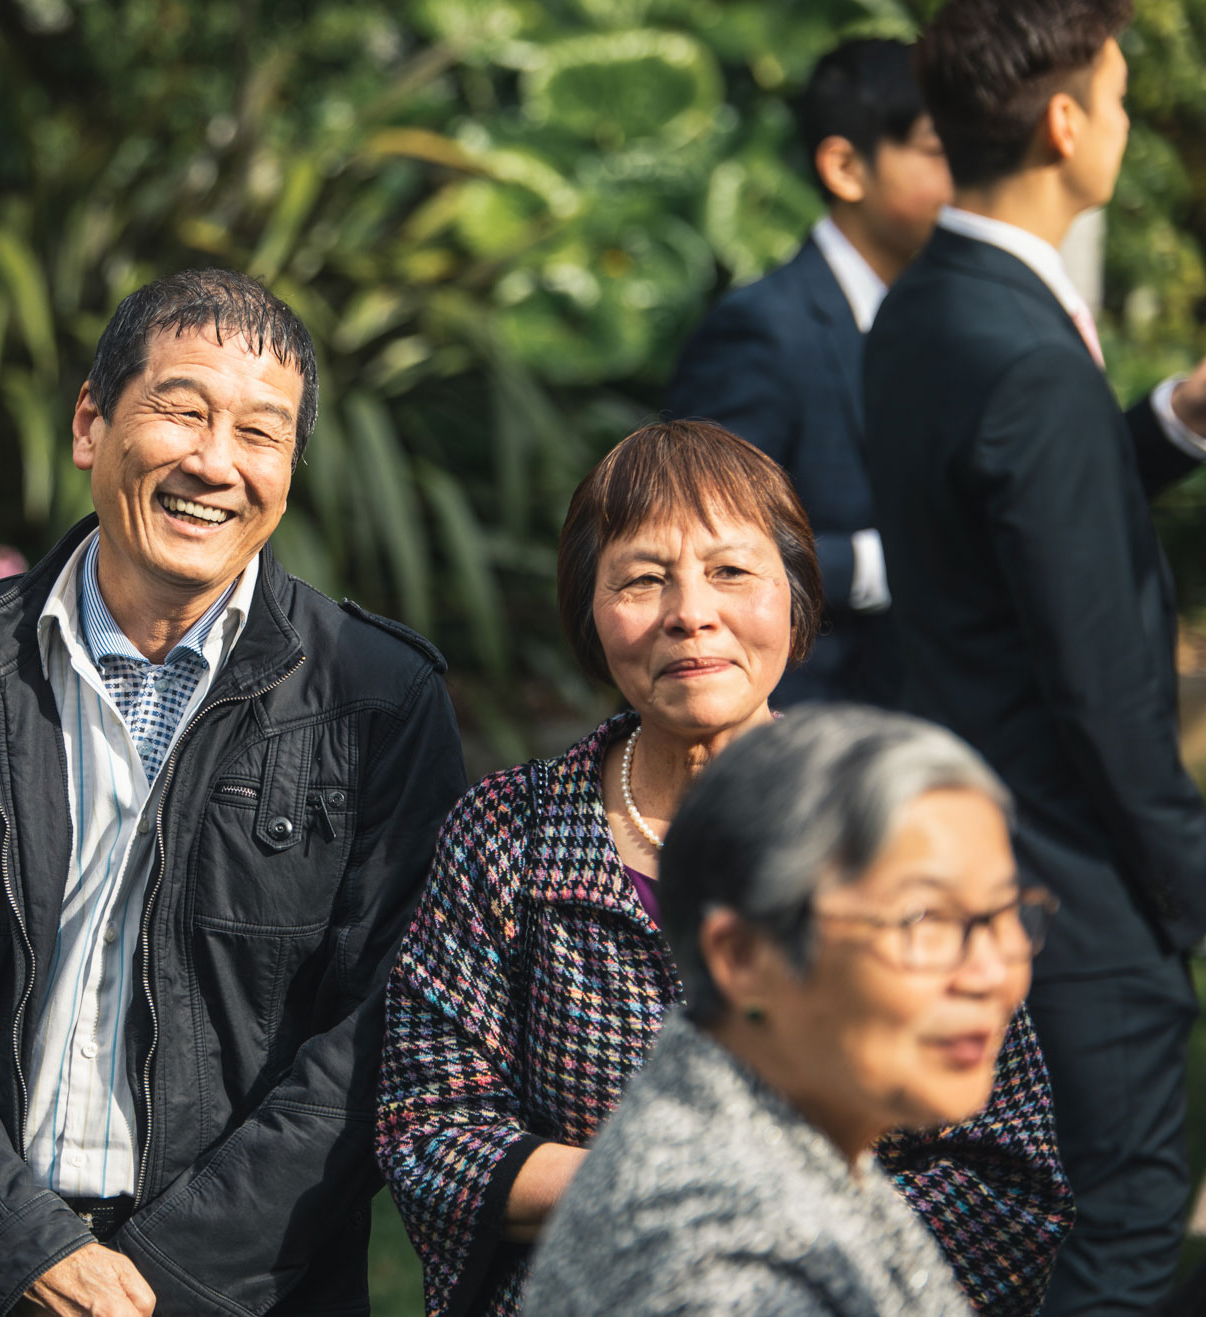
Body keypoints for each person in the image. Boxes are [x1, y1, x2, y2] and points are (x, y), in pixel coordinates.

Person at [0, 268, 469, 1316]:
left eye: (259, 432)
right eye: (181, 410)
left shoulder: (375, 699)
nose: (214, 462)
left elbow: (378, 1025)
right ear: (89, 423)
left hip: (236, 1291)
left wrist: (162, 1283)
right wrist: (21, 1246)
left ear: (289, 467)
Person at [377, 419, 1070, 1317]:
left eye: (732, 571)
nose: (690, 612)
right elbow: (432, 1133)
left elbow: (1005, 1180)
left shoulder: (893, 830)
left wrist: (769, 1256)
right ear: (591, 610)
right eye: (642, 579)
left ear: (796, 594)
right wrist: (687, 1213)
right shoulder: (509, 830)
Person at [864, 0, 1206, 1307]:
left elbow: (1015, 533)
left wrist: (1173, 419)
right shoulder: (1018, 348)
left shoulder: (930, 306)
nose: (1124, 121)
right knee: (1119, 1231)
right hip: (1070, 871)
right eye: (1121, 100)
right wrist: (1190, 885)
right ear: (1067, 124)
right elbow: (1104, 681)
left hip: (975, 836)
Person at [522, 707, 1056, 1315]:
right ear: (744, 957)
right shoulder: (719, 1278)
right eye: (924, 921)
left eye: (1005, 914)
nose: (991, 975)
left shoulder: (807, 1143)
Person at [667, 37, 951, 708]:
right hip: (795, 727)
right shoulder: (764, 329)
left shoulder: (940, 320)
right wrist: (888, 563)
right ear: (846, 167)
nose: (972, 179)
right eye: (943, 153)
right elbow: (703, 546)